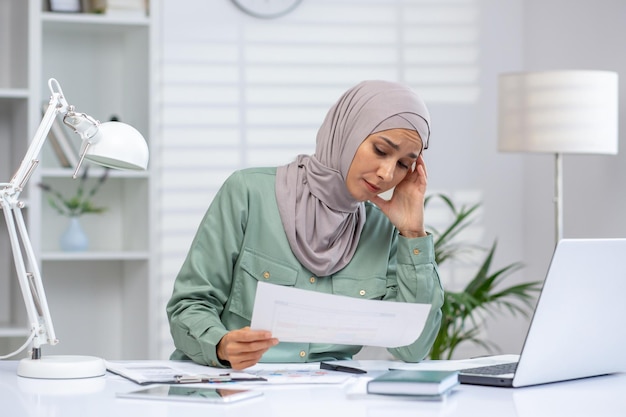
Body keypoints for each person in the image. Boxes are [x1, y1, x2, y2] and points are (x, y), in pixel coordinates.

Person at [166, 80, 444, 370]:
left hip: (328, 397)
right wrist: (221, 346)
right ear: (347, 133)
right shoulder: (249, 193)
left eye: (403, 164)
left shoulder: (383, 228)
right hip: (235, 389)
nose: (387, 174)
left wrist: (413, 233)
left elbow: (413, 348)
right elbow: (188, 306)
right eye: (381, 150)